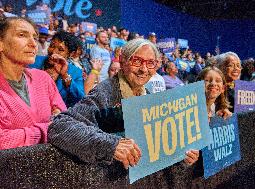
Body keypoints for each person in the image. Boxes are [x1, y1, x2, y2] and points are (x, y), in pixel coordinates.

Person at [48, 39, 198, 169]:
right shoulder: (106, 91)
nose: (144, 69)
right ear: (123, 61)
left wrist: (181, 157)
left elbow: (158, 147)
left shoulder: (149, 96)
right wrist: (110, 145)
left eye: (150, 63)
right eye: (136, 61)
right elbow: (59, 126)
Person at [0, 17, 66, 150]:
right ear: (1, 44)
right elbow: (2, 140)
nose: (33, 44)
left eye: (34, 38)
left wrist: (21, 135)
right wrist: (47, 129)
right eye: (22, 35)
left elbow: (66, 119)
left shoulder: (42, 78)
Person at [43, 31, 85, 107]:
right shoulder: (35, 62)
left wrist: (64, 75)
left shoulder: (75, 72)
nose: (53, 51)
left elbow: (80, 98)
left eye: (60, 49)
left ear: (70, 54)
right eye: (52, 46)